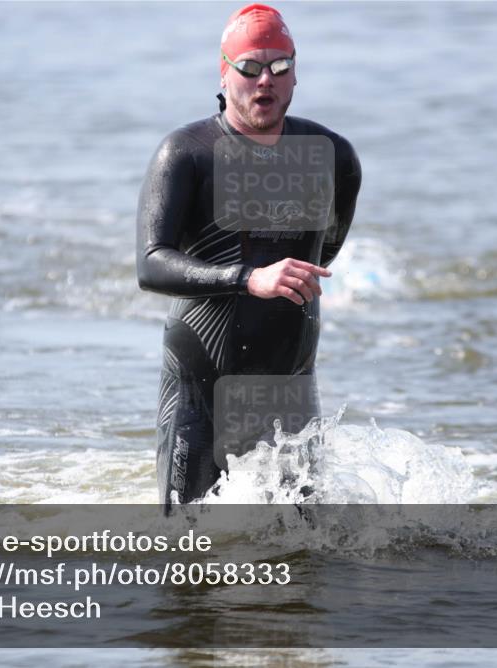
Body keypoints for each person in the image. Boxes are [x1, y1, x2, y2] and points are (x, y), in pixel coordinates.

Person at [137, 3, 362, 509]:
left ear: (296, 74)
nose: (266, 80)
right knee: (187, 561)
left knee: (301, 561)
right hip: (201, 383)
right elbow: (151, 264)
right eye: (250, 67)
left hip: (288, 385)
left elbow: (324, 248)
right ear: (224, 72)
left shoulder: (333, 156)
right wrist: (247, 278)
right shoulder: (186, 153)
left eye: (280, 67)